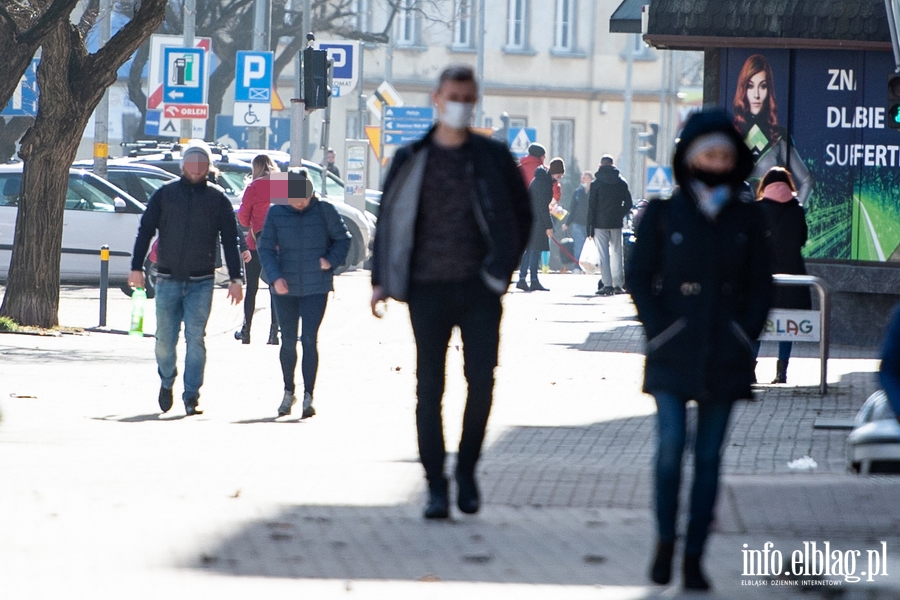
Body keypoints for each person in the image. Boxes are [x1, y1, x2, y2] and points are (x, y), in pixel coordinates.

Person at [370, 64, 531, 520]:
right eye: (452, 96)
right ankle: (435, 484)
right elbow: (390, 222)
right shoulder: (412, 157)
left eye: (468, 97)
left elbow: (521, 218)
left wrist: (501, 271)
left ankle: (467, 472)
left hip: (481, 289)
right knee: (429, 388)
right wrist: (380, 279)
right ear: (436, 99)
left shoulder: (493, 157)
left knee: (481, 382)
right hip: (427, 290)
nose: (460, 104)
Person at [626, 110, 773, 591]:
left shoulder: (747, 217)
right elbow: (639, 275)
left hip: (725, 352)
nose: (716, 162)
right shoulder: (665, 212)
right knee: (670, 449)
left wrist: (744, 334)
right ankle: (664, 541)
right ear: (690, 158)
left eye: (724, 155)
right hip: (673, 348)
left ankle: (694, 556)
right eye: (707, 154)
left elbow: (760, 285)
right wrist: (657, 327)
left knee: (709, 457)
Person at [128, 141, 244, 416]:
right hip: (167, 279)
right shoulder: (165, 195)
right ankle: (167, 381)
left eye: (201, 164)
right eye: (192, 164)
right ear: (183, 166)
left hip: (201, 281)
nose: (196, 170)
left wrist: (236, 279)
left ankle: (192, 395)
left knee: (196, 339)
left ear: (208, 168)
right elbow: (145, 231)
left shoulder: (218, 199)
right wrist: (136, 267)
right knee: (164, 340)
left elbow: (230, 240)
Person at [257, 169, 351, 419]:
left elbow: (344, 239)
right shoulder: (276, 212)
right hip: (284, 287)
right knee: (287, 341)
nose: (300, 203)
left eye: (304, 198)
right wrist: (275, 277)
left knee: (309, 339)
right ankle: (289, 391)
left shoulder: (325, 210)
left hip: (315, 287)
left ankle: (309, 396)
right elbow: (265, 247)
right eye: (295, 198)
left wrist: (330, 261)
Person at [752, 166, 810, 384]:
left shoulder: (757, 210)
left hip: (762, 274)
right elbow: (802, 240)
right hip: (793, 275)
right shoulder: (797, 209)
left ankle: (750, 370)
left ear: (765, 185)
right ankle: (781, 372)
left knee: (756, 321)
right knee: (788, 324)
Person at [732, 54, 813, 204]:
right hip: (740, 223)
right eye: (750, 86)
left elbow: (807, 181)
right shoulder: (731, 134)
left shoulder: (778, 135)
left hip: (770, 223)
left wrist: (794, 212)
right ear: (743, 89)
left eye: (762, 86)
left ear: (769, 90)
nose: (756, 95)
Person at [236, 154, 280, 345]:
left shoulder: (253, 188)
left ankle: (246, 331)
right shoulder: (283, 184)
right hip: (280, 245)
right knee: (275, 288)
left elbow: (243, 219)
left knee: (252, 288)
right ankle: (274, 333)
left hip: (255, 243)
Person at [588, 155, 633, 296]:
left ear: (601, 165)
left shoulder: (596, 184)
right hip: (616, 222)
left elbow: (591, 207)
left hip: (599, 223)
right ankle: (618, 285)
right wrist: (620, 213)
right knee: (616, 253)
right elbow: (629, 203)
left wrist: (589, 226)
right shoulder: (621, 182)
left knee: (604, 256)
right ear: (613, 165)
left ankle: (607, 285)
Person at [517, 157, 563, 291]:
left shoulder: (540, 180)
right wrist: (549, 226)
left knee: (530, 250)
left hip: (532, 219)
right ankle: (533, 280)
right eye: (559, 175)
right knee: (535, 251)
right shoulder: (544, 184)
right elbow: (542, 208)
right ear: (554, 172)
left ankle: (523, 278)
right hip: (537, 221)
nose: (559, 178)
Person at [562, 171, 592, 272]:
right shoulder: (577, 192)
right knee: (578, 245)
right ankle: (577, 267)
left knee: (588, 247)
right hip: (578, 223)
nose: (582, 180)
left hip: (590, 224)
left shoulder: (594, 192)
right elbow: (573, 209)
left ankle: (589, 267)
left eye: (585, 178)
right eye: (582, 178)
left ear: (590, 180)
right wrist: (567, 223)